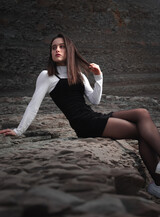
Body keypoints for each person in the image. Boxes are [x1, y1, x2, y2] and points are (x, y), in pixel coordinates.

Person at [0, 33, 160, 198]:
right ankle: (157, 184)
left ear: (69, 50)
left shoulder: (79, 74)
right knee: (143, 131)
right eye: (54, 47)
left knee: (142, 113)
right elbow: (34, 105)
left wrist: (98, 76)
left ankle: (157, 184)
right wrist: (19, 130)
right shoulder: (46, 76)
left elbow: (95, 100)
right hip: (84, 124)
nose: (57, 50)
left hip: (92, 117)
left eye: (61, 46)